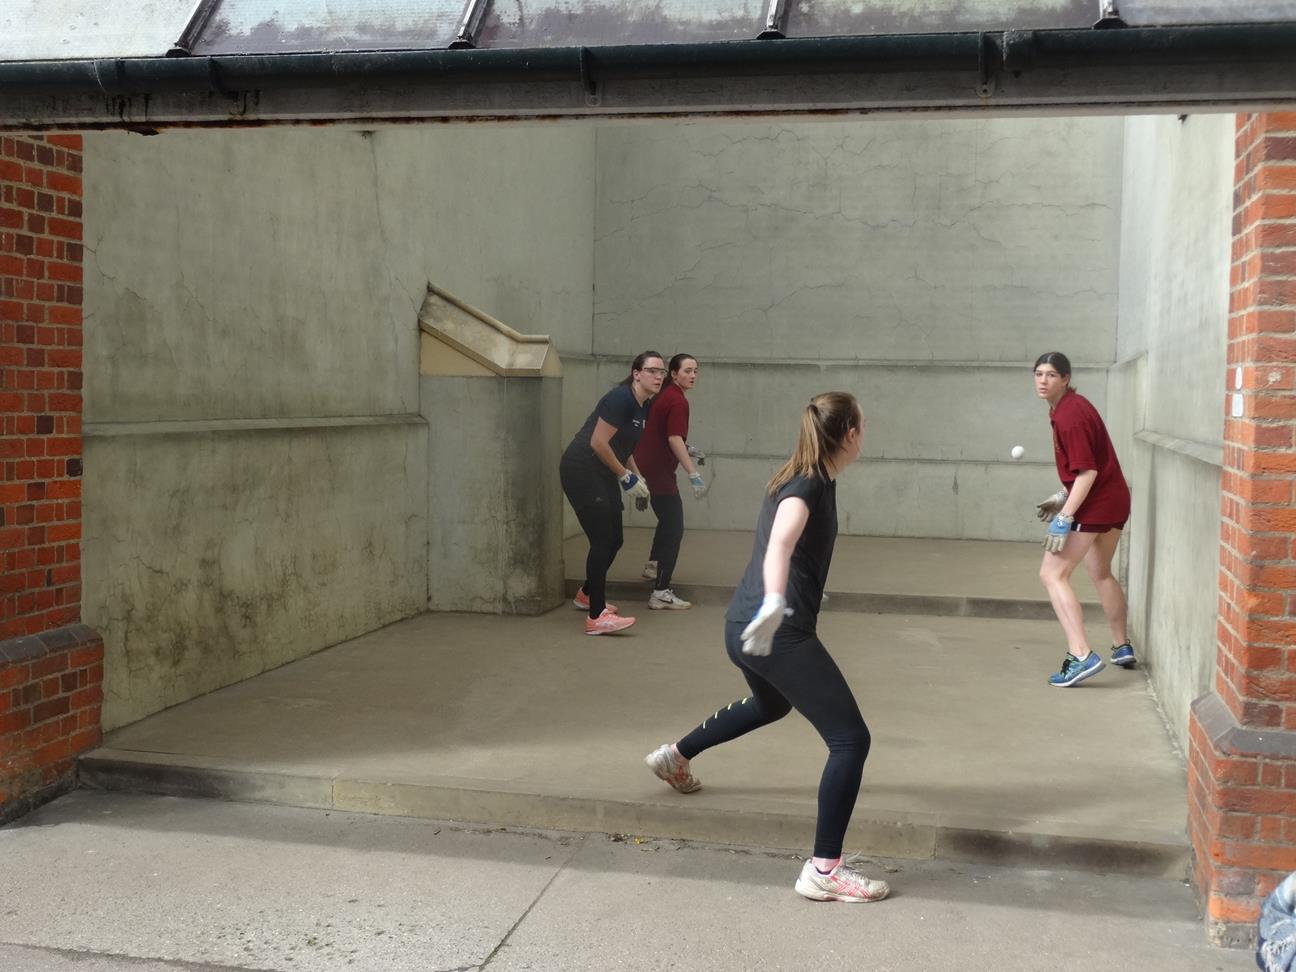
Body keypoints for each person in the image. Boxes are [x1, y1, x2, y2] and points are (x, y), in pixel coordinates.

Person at [643, 392, 889, 903]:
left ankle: (676, 755)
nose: (866, 431)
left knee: (771, 704)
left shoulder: (797, 472)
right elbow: (781, 541)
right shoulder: (808, 485)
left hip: (742, 626)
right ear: (849, 435)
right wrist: (777, 599)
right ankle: (824, 870)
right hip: (776, 631)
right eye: (863, 425)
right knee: (850, 740)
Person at [1032, 351, 1135, 687]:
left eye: (1051, 375)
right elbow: (1092, 467)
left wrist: (1065, 515)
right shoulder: (1074, 406)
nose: (1043, 381)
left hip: (1096, 504)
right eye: (1038, 374)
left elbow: (1088, 471)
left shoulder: (1069, 416)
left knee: (1052, 573)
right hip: (1114, 498)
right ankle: (1121, 646)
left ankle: (1081, 656)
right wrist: (1061, 495)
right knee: (1100, 572)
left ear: (1066, 378)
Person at [560, 351, 665, 635]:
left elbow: (623, 447)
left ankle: (586, 594)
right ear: (636, 373)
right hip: (581, 469)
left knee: (614, 538)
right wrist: (625, 477)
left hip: (603, 471)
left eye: (661, 372)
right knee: (603, 539)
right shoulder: (620, 399)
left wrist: (636, 475)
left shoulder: (644, 406)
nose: (658, 376)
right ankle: (596, 617)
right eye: (652, 370)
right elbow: (598, 442)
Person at [632, 353, 706, 611]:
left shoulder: (664, 395)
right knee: (675, 527)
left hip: (648, 468)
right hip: (659, 473)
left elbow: (664, 435)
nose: (693, 375)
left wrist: (689, 448)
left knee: (667, 520)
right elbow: (674, 438)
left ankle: (653, 565)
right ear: (673, 374)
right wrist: (692, 473)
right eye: (687, 371)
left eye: (695, 371)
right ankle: (661, 592)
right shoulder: (677, 401)